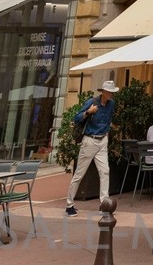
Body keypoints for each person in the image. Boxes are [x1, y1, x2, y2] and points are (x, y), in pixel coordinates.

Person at [64, 80, 118, 215]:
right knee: (79, 173)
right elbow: (76, 118)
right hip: (90, 140)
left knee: (105, 171)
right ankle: (69, 204)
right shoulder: (92, 102)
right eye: (110, 92)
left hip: (102, 140)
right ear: (103, 92)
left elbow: (109, 119)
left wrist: (107, 131)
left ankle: (104, 204)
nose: (111, 94)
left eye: (112, 92)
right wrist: (88, 112)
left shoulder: (111, 104)